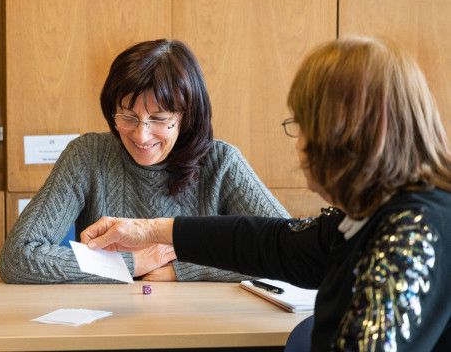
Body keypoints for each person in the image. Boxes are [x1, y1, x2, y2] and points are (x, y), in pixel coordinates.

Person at [80, 36, 451, 350]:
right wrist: (150, 232)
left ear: (344, 136)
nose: (299, 144)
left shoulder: (412, 232)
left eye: (303, 126)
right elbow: (273, 241)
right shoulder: (374, 214)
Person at [0, 39, 290, 283]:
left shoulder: (222, 162)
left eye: (159, 119)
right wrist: (133, 263)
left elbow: (289, 251)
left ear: (186, 116)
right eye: (127, 116)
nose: (141, 135)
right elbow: (18, 256)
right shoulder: (87, 155)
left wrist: (181, 269)